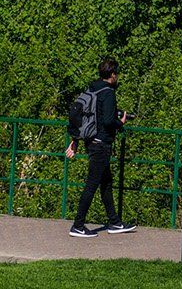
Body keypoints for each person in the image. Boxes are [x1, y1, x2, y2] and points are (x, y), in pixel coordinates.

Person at [66, 57, 137, 237]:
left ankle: (115, 222)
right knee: (92, 184)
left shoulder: (93, 88)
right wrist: (120, 122)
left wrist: (75, 140)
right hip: (101, 144)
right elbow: (106, 120)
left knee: (106, 183)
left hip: (91, 141)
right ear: (112, 74)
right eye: (117, 73)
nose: (117, 77)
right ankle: (78, 225)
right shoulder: (108, 93)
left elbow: (89, 115)